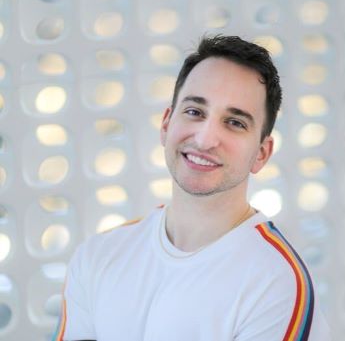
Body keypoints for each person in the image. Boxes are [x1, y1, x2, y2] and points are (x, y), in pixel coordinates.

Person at [53, 35, 331, 341]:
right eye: (195, 112)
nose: (204, 139)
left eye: (235, 122)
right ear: (166, 124)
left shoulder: (275, 282)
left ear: (261, 154)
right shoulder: (99, 255)